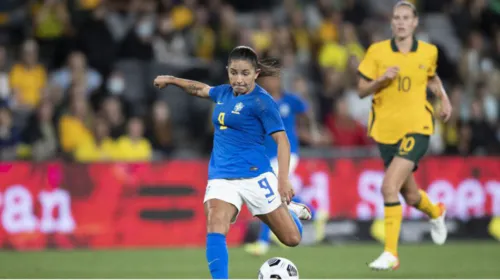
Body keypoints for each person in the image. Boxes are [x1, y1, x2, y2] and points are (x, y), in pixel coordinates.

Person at [153, 46, 311, 279]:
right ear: (228, 71)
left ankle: (289, 209)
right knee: (215, 223)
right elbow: (200, 89)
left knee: (291, 239)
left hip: (256, 176)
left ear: (256, 73)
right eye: (234, 72)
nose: (239, 79)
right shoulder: (224, 93)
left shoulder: (263, 103)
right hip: (222, 177)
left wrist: (283, 180)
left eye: (245, 73)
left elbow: (283, 142)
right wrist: (172, 79)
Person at [357, 1, 452, 270]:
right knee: (410, 196)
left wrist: (443, 99)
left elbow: (431, 78)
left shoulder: (428, 51)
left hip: (418, 127)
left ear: (414, 22)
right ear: (392, 22)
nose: (400, 22)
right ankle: (436, 211)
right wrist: (381, 80)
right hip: (386, 132)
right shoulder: (377, 52)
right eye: (396, 17)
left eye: (405, 17)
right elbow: (361, 90)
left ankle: (391, 253)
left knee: (388, 187)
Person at [244, 63, 328, 256]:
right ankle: (315, 213)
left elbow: (307, 112)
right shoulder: (260, 102)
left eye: (273, 78)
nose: (270, 81)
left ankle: (263, 242)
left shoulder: (290, 100)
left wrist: (313, 130)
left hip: (287, 154)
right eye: (267, 78)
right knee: (273, 196)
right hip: (267, 155)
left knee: (271, 194)